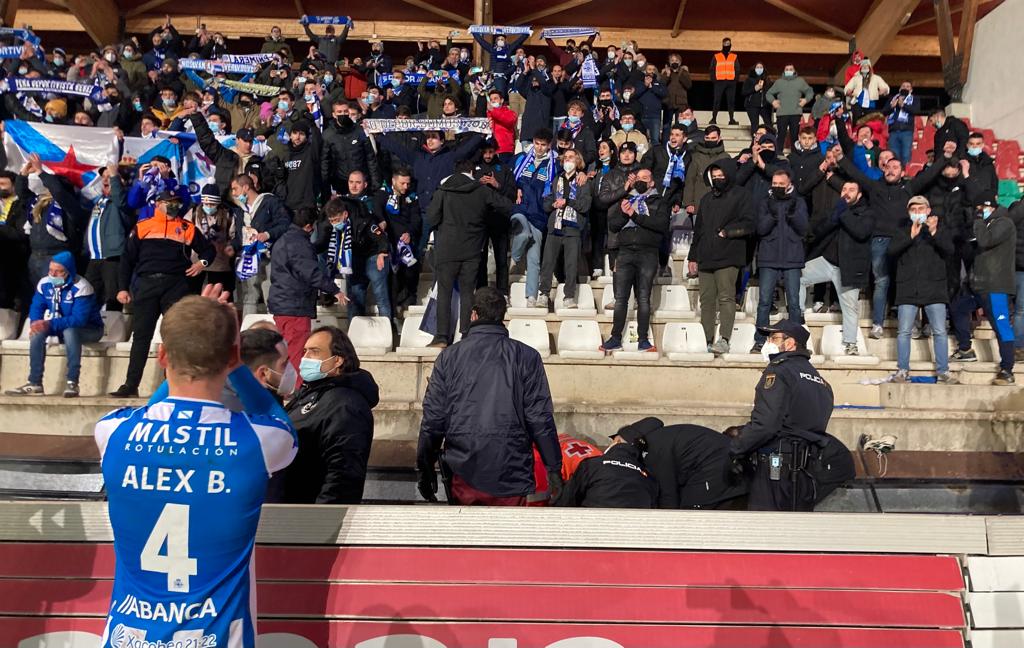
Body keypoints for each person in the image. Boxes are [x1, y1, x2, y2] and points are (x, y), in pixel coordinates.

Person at [94, 290, 296, 647]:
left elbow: (162, 407)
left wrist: (193, 327)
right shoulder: (258, 441)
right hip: (214, 638)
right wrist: (235, 363)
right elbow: (279, 421)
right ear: (234, 356)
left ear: (161, 356)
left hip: (129, 637)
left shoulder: (113, 431)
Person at [417, 287, 562, 505]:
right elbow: (540, 419)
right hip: (511, 471)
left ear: (473, 314)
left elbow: (433, 420)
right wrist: (554, 468)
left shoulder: (449, 357)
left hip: (463, 471)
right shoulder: (527, 356)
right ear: (502, 316)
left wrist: (425, 468)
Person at [726, 319, 854, 511]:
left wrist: (735, 449)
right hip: (806, 468)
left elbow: (766, 424)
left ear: (790, 343)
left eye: (774, 337)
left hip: (774, 466)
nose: (769, 342)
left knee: (765, 529)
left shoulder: (779, 371)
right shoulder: (820, 381)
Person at [110, 190, 216, 398]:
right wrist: (122, 288)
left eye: (177, 202)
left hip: (176, 285)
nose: (174, 206)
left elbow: (209, 251)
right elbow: (127, 260)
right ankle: (131, 385)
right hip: (147, 284)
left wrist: (201, 264)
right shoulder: (143, 226)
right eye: (169, 202)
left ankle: (174, 387)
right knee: (141, 336)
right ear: (158, 204)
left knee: (176, 337)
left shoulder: (187, 228)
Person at [836, 143, 946, 339]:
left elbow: (929, 176)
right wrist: (841, 159)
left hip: (905, 239)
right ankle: (877, 323)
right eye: (887, 167)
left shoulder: (909, 187)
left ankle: (912, 325)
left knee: (906, 281)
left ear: (903, 172)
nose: (890, 170)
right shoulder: (875, 186)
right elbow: (857, 175)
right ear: (882, 170)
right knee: (881, 282)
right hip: (879, 242)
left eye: (895, 167)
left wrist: (944, 158)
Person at [282, 325, 379, 504]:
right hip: (288, 508)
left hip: (308, 516)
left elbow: (343, 474)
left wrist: (323, 520)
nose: (305, 358)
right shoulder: (307, 394)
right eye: (304, 351)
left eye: (314, 351)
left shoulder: (346, 405)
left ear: (337, 361)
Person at [427, 159, 514, 346]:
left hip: (447, 249)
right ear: (472, 173)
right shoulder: (481, 190)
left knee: (444, 293)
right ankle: (466, 333)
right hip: (472, 249)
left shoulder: (443, 191)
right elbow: (507, 205)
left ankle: (441, 336)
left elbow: (432, 217)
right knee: (468, 293)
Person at [5, 252, 104, 398]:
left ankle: (72, 382)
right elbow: (36, 307)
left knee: (70, 332)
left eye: (57, 271)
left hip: (89, 329)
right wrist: (35, 323)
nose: (53, 274)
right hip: (60, 325)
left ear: (68, 271)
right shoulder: (45, 283)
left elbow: (78, 320)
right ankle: (34, 383)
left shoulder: (82, 287)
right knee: (38, 333)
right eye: (51, 270)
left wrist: (48, 323)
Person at [269, 207, 348, 374]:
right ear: (309, 226)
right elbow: (311, 272)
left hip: (282, 305)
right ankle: (296, 393)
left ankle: (286, 391)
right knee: (296, 356)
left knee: (285, 355)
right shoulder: (299, 244)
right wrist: (335, 290)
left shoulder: (284, 240)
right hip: (295, 307)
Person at [799, 180, 875, 355]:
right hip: (828, 262)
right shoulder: (837, 209)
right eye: (844, 189)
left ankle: (850, 344)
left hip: (850, 268)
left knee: (850, 308)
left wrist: (843, 213)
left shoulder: (867, 213)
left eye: (851, 189)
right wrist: (835, 214)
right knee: (797, 275)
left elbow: (860, 232)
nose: (847, 193)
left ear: (860, 194)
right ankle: (799, 317)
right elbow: (819, 231)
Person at [687, 159, 754, 355]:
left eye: (720, 176)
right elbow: (698, 230)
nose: (717, 179)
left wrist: (728, 232)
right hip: (706, 256)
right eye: (714, 177)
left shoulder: (742, 195)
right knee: (706, 300)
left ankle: (724, 338)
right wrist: (693, 257)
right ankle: (706, 338)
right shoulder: (706, 199)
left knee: (726, 297)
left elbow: (750, 224)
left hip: (729, 255)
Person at [888, 196, 957, 383]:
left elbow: (950, 251)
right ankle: (902, 370)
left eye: (921, 208)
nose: (917, 212)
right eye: (914, 209)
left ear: (928, 211)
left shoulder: (938, 231)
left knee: (940, 332)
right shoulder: (902, 230)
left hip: (934, 288)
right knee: (903, 332)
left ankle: (943, 371)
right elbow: (891, 251)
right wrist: (910, 236)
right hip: (908, 288)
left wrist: (934, 232)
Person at [601, 168, 670, 353]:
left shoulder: (660, 201)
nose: (640, 181)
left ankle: (643, 340)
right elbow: (613, 225)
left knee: (644, 298)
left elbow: (661, 225)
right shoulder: (626, 199)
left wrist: (635, 215)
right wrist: (625, 214)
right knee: (621, 298)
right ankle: (615, 338)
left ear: (652, 182)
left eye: (644, 178)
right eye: (638, 178)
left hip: (647, 253)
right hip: (624, 253)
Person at [950, 197, 1017, 385]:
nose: (980, 211)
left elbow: (986, 241)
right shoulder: (985, 225)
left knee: (1001, 327)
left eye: (984, 207)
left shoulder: (1004, 222)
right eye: (978, 208)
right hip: (978, 285)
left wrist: (978, 221)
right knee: (957, 308)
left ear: (993, 207)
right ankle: (965, 349)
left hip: (996, 286)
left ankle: (1007, 370)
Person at [751, 169, 809, 353]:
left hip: (792, 257)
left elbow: (803, 229)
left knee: (793, 301)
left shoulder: (798, 202)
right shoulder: (765, 203)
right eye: (774, 184)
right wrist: (773, 216)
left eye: (780, 184)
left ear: (788, 185)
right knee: (765, 301)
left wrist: (792, 215)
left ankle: (795, 341)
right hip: (769, 256)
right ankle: (760, 340)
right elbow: (760, 229)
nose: (776, 187)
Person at [636, 418, 749, 509]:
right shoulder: (658, 439)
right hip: (725, 469)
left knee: (692, 515)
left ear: (617, 441)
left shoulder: (653, 450)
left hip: (717, 470)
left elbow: (668, 495)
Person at [553, 421, 658, 509]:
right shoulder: (648, 476)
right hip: (633, 529)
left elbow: (566, 501)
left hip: (592, 524)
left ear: (617, 441)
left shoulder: (591, 464)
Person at [229, 174, 291, 318]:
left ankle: (275, 327)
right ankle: (247, 330)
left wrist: (268, 234)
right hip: (249, 257)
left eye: (235, 189)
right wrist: (233, 246)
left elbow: (285, 223)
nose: (233, 193)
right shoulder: (239, 210)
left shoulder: (270, 202)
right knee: (250, 294)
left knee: (271, 291)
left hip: (270, 256)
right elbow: (240, 236)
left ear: (245, 187)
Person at [538, 150, 591, 310]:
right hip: (555, 226)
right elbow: (546, 202)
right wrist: (552, 204)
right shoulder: (556, 180)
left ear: (578, 160)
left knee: (571, 264)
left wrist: (567, 201)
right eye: (565, 158)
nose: (568, 160)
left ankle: (569, 296)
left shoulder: (583, 181)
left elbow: (585, 205)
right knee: (547, 262)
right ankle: (544, 294)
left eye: (571, 157)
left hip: (573, 227)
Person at [511, 130, 558, 307]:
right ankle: (514, 257)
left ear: (549, 146)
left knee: (534, 258)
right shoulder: (521, 158)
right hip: (520, 208)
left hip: (539, 214)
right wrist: (514, 189)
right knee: (523, 233)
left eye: (543, 145)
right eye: (537, 143)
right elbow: (509, 179)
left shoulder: (554, 164)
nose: (539, 148)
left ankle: (531, 296)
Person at [766, 64, 813, 150]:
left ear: (794, 71)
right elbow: (768, 94)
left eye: (791, 69)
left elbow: (810, 91)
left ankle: (795, 155)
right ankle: (778, 154)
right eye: (787, 69)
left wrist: (805, 100)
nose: (789, 70)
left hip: (795, 113)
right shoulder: (779, 82)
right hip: (782, 113)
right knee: (781, 135)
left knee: (795, 136)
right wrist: (773, 101)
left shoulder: (800, 81)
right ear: (784, 71)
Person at [883, 81, 918, 165]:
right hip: (893, 131)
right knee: (894, 156)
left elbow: (915, 110)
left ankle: (905, 175)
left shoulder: (914, 99)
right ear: (899, 89)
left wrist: (903, 105)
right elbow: (884, 112)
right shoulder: (893, 99)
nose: (905, 88)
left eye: (908, 86)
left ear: (911, 90)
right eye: (903, 86)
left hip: (907, 131)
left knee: (906, 155)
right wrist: (892, 106)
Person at [709, 37, 738, 126]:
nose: (727, 45)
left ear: (730, 45)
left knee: (731, 101)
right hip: (719, 81)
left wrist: (735, 80)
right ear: (722, 44)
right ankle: (713, 119)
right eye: (725, 44)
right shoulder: (716, 56)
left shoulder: (734, 56)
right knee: (717, 100)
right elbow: (712, 68)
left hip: (730, 82)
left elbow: (737, 69)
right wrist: (714, 80)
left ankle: (731, 119)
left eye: (728, 44)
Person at [742, 62, 772, 135]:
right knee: (755, 124)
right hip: (752, 105)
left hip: (765, 106)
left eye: (761, 68)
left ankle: (770, 139)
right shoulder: (749, 80)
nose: (759, 69)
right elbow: (744, 92)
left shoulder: (767, 80)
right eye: (757, 67)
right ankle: (755, 142)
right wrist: (754, 89)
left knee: (768, 124)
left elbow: (771, 92)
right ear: (754, 69)